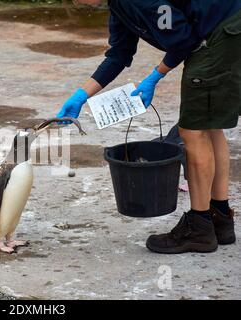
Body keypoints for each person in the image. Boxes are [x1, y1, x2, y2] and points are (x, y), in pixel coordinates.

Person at [56, 0, 241, 254]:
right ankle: (220, 218)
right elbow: (119, 53)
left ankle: (199, 228)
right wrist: (81, 95)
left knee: (192, 131)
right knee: (210, 126)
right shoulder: (119, 5)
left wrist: (156, 75)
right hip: (225, 28)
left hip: (221, 32)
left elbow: (183, 40)